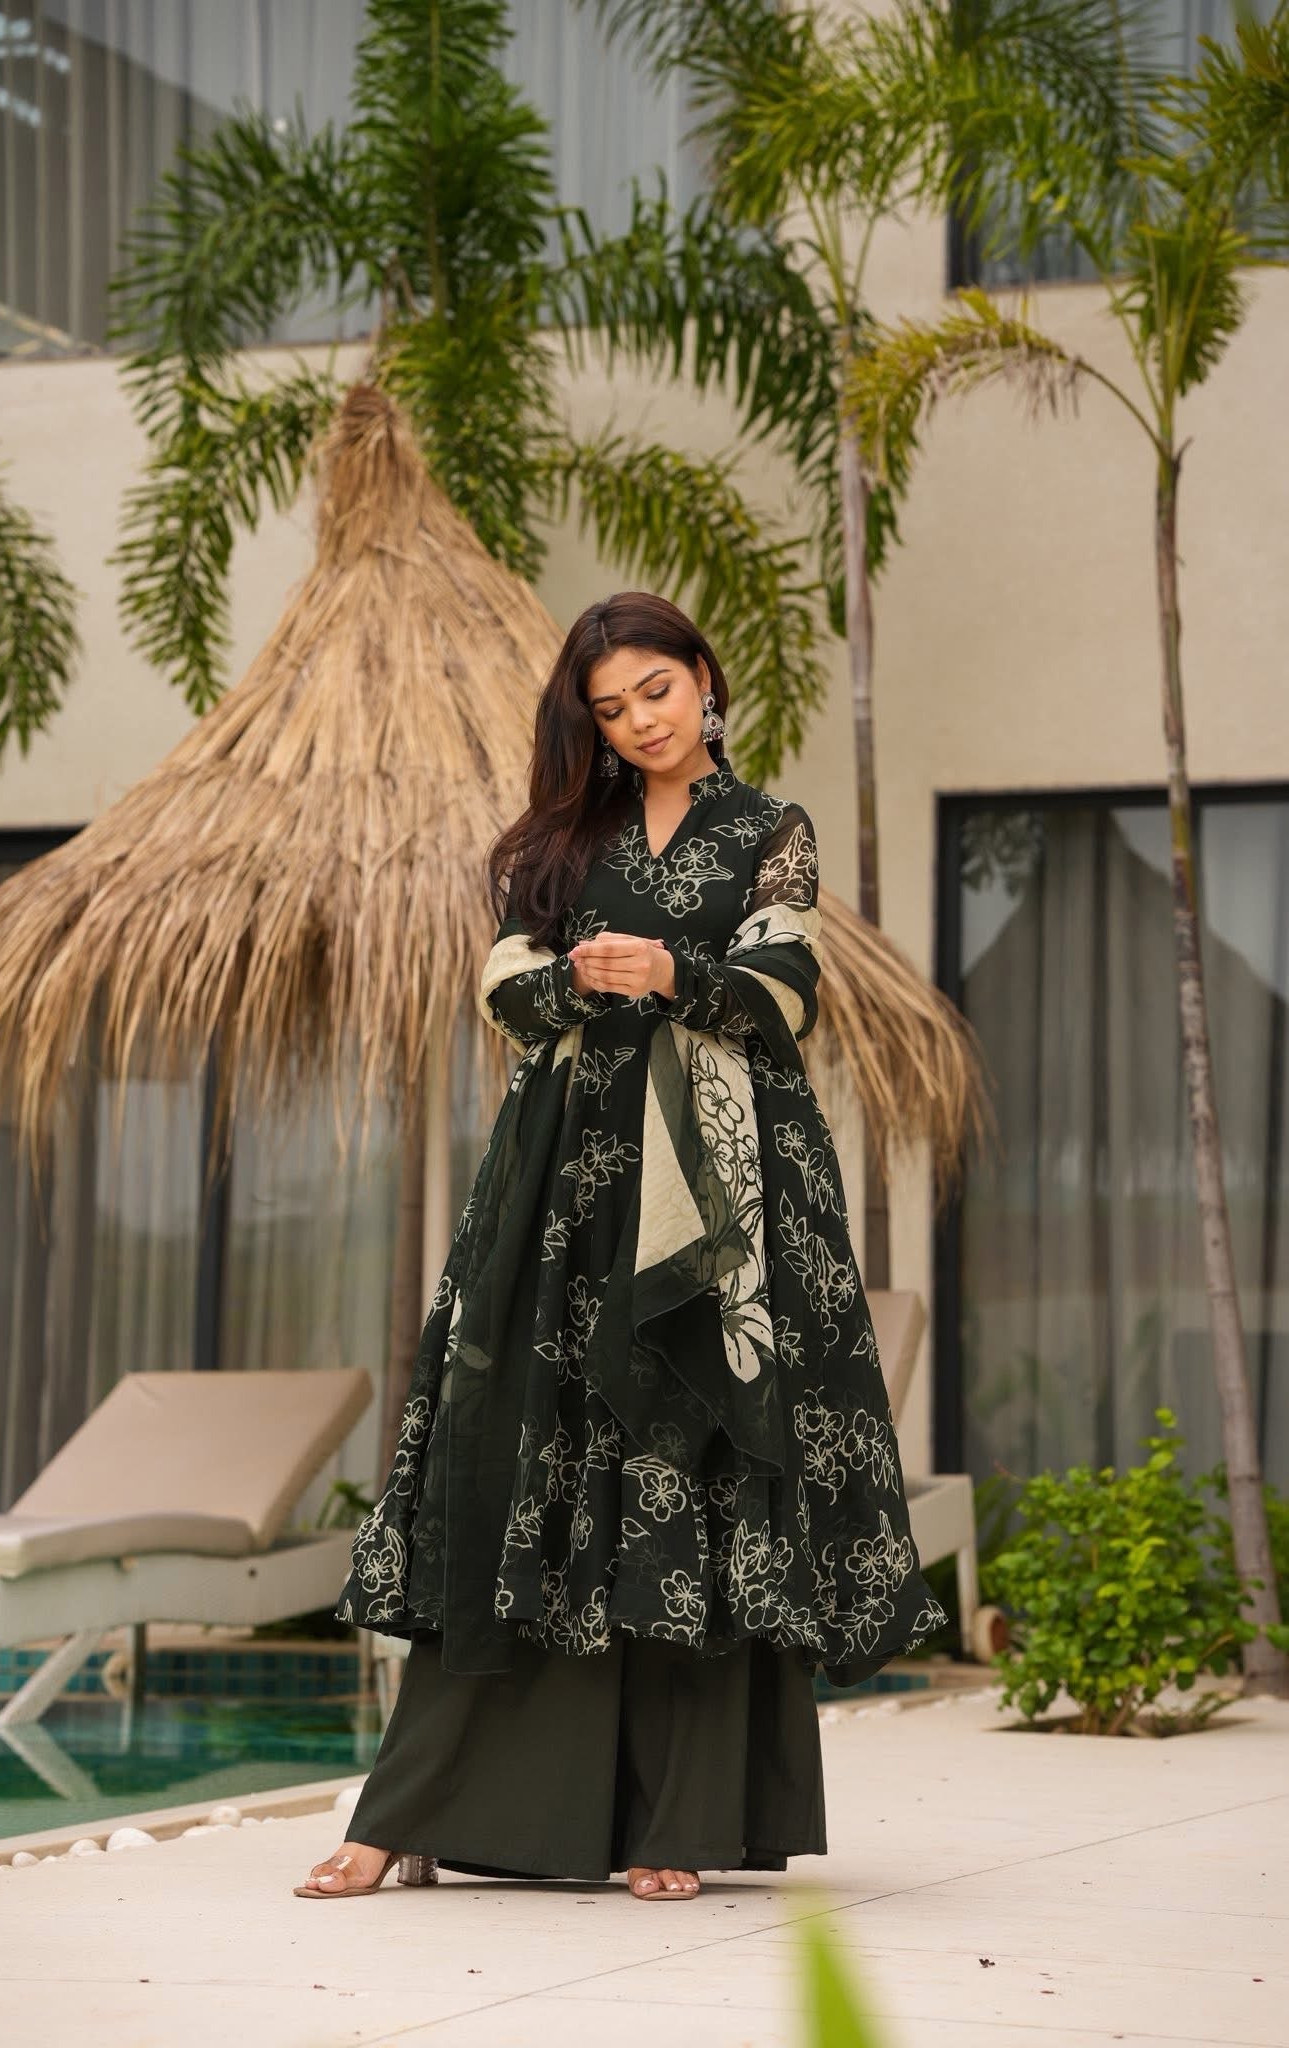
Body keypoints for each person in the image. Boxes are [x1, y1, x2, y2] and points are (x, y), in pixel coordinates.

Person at [296, 591, 946, 1905]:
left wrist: (670, 978)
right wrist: (579, 980)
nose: (640, 721)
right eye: (610, 708)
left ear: (703, 678)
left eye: (656, 689)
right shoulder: (556, 841)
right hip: (564, 1183)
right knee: (521, 1460)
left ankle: (676, 1817)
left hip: (723, 1186)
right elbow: (503, 990)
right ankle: (409, 1809)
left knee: (691, 1461)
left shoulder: (768, 829)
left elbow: (785, 995)